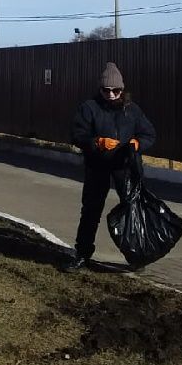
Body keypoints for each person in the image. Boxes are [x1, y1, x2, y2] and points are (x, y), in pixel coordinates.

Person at [66, 62, 156, 272]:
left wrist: (137, 144)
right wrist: (96, 142)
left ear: (122, 90)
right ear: (100, 90)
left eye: (115, 91)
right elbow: (77, 134)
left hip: (125, 166)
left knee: (131, 209)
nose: (111, 95)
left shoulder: (132, 110)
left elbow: (148, 133)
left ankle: (137, 255)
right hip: (97, 165)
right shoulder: (90, 108)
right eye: (106, 91)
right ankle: (82, 254)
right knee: (91, 209)